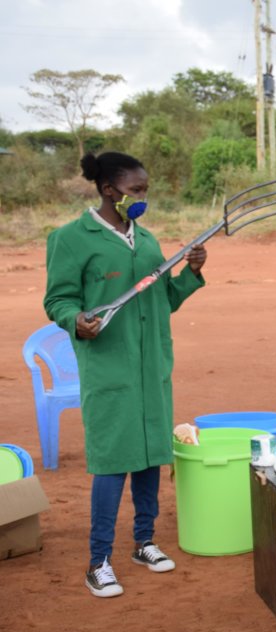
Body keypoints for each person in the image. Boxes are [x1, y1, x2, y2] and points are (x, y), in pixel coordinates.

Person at [44, 151, 207, 598]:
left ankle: (144, 542)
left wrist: (191, 273)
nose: (143, 198)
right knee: (113, 462)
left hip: (152, 365)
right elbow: (58, 299)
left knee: (151, 457)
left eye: (145, 191)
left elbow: (163, 301)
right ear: (109, 190)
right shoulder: (70, 239)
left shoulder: (149, 242)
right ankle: (98, 561)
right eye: (136, 191)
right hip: (109, 368)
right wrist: (76, 320)